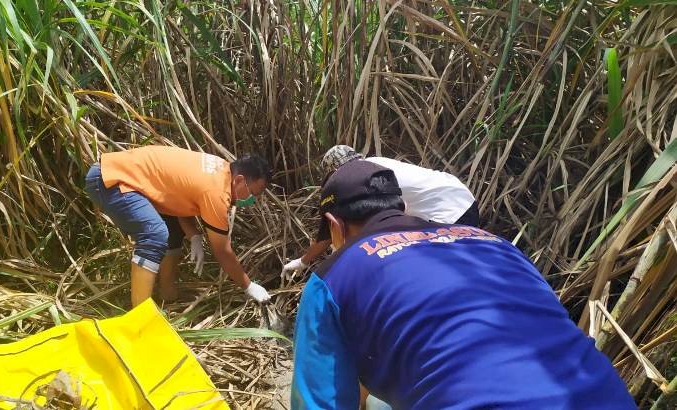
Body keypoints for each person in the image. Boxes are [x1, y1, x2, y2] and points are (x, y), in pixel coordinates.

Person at [290, 159, 635, 409]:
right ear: (402, 205)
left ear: (334, 225)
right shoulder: (496, 244)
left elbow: (319, 402)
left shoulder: (332, 279)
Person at [84, 145, 271, 306]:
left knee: (173, 230)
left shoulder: (221, 169)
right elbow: (222, 251)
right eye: (252, 192)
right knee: (155, 234)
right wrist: (249, 286)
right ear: (239, 180)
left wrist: (194, 236)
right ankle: (140, 319)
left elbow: (179, 199)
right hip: (111, 180)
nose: (251, 200)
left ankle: (167, 296)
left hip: (115, 174)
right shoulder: (217, 192)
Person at [281, 145, 478, 277]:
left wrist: (304, 261)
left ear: (336, 172)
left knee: (430, 272)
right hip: (463, 198)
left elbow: (329, 233)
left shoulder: (358, 179)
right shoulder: (376, 165)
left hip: (446, 213)